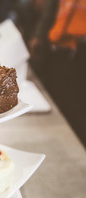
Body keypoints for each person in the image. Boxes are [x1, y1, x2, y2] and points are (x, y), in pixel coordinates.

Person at [28, 0, 86, 145]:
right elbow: (52, 6)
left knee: (79, 109)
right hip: (59, 46)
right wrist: (39, 35)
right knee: (61, 104)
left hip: (80, 49)